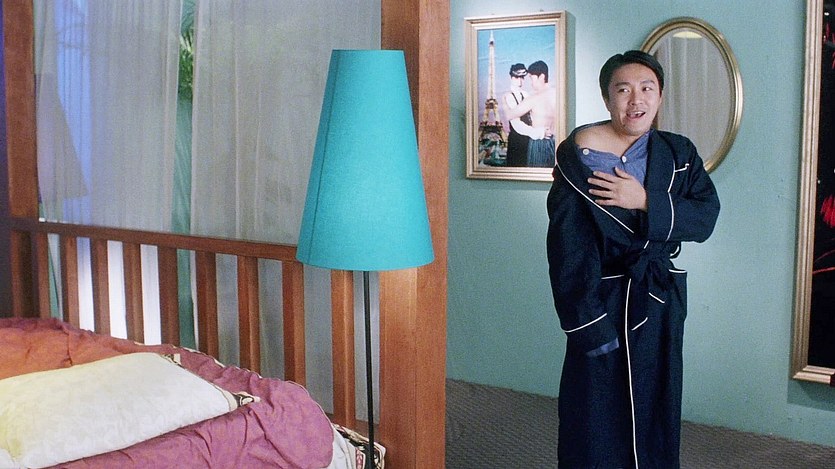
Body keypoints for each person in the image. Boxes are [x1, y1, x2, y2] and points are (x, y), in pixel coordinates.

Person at [546, 50, 720, 468]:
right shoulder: (578, 158)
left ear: (660, 96)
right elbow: (567, 251)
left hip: (657, 299)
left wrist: (645, 200)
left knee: (655, 412)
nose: (636, 99)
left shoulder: (678, 153)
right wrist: (589, 326)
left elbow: (705, 217)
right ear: (607, 98)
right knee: (593, 421)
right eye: (623, 90)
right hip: (600, 303)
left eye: (647, 88)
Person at [505, 60, 557, 167]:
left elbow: (509, 115)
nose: (531, 83)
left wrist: (504, 100)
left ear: (541, 77)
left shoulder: (534, 98)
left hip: (539, 144)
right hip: (555, 142)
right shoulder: (557, 94)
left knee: (536, 175)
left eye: (531, 78)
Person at [502, 63, 534, 166]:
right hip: (516, 140)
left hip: (528, 138)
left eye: (522, 77)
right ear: (511, 77)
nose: (520, 80)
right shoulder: (509, 97)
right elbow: (516, 124)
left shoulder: (526, 95)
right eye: (517, 77)